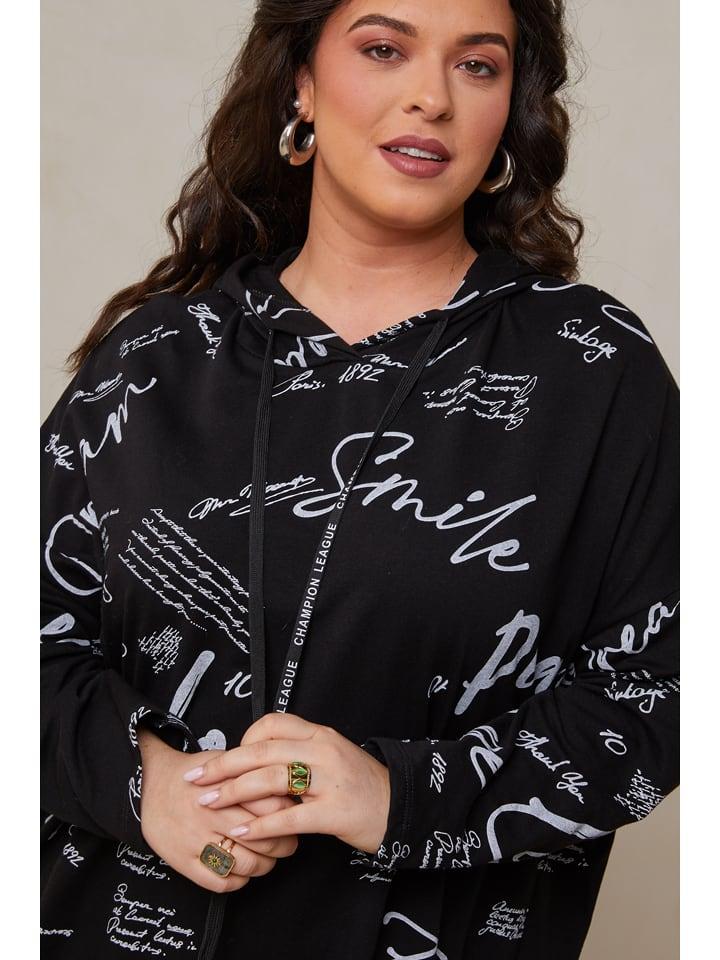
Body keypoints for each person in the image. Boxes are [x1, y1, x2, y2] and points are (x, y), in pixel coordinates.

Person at [40, 0, 679, 957]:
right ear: (301, 81)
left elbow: (664, 687)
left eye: (478, 65)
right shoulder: (155, 358)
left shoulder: (595, 371)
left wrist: (400, 796)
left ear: (511, 108)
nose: (431, 97)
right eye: (384, 49)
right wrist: (147, 783)